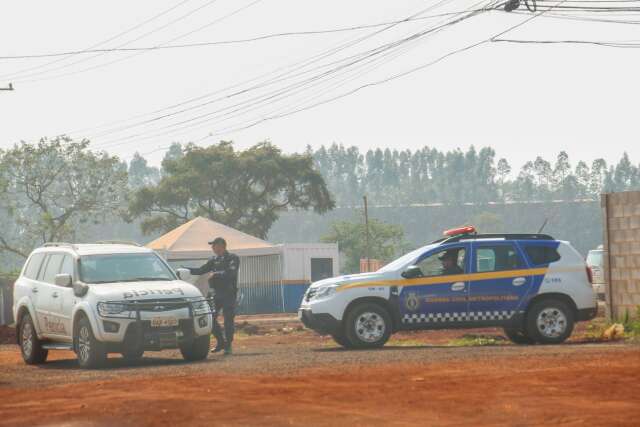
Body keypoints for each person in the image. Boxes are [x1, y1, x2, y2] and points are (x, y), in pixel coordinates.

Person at [184, 237, 240, 355]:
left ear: (221, 245)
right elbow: (201, 270)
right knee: (211, 318)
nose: (212, 248)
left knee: (228, 320)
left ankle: (228, 345)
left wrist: (215, 274)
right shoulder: (213, 260)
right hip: (215, 293)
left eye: (214, 245)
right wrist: (185, 269)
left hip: (228, 293)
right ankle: (221, 342)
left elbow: (231, 273)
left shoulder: (232, 258)